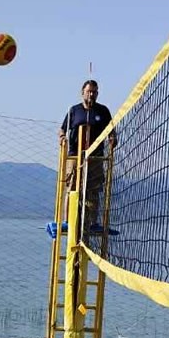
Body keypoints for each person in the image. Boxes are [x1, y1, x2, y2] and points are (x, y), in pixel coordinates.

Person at [59, 79, 117, 232]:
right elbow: (62, 130)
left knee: (94, 189)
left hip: (96, 157)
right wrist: (62, 138)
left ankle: (93, 222)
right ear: (82, 92)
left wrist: (112, 139)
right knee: (71, 187)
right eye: (89, 91)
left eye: (94, 92)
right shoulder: (74, 110)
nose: (91, 94)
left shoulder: (103, 111)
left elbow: (111, 131)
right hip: (74, 156)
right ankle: (66, 221)